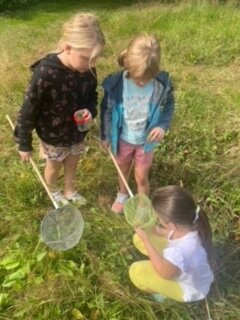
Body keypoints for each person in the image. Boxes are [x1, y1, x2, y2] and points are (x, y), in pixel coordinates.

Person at [14, 13, 105, 206]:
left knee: (73, 162)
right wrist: (24, 141)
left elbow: (91, 95)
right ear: (68, 48)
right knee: (53, 166)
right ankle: (53, 191)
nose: (92, 64)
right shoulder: (45, 73)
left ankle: (70, 190)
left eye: (95, 59)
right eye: (87, 58)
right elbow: (29, 108)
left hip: (77, 132)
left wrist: (90, 110)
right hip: (52, 134)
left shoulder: (88, 69)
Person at [100, 33, 175, 213]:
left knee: (142, 176)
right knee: (123, 169)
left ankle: (142, 202)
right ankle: (123, 193)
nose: (142, 82)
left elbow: (169, 106)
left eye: (147, 78)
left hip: (145, 142)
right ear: (128, 65)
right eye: (138, 77)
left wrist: (161, 126)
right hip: (123, 139)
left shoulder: (160, 85)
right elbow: (106, 111)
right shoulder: (116, 84)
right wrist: (105, 135)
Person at [128, 185, 214, 303]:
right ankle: (160, 259)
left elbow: (164, 273)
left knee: (136, 271)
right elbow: (163, 232)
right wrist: (150, 230)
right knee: (138, 237)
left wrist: (146, 240)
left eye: (159, 219)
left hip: (188, 290)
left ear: (172, 225)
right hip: (192, 272)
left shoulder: (178, 252)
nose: (158, 220)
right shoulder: (193, 226)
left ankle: (162, 295)